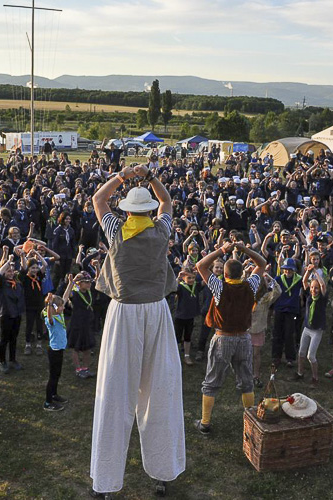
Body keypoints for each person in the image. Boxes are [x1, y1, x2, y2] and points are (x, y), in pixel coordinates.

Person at [90, 164, 182, 498]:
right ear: (149, 210)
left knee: (115, 396)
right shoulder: (161, 231)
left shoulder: (116, 229)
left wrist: (123, 176)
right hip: (156, 312)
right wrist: (151, 177)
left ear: (127, 209)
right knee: (161, 393)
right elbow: (168, 202)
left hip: (125, 313)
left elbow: (99, 199)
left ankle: (105, 480)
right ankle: (164, 471)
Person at [194, 240, 267, 434]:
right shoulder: (250, 285)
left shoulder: (219, 287)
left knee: (212, 381)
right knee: (246, 380)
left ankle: (205, 422)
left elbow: (200, 266)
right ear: (242, 273)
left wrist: (221, 249)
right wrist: (245, 249)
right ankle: (251, 421)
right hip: (244, 338)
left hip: (223, 338)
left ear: (224, 274)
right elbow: (262, 264)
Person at [296, 265, 327, 384]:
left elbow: (323, 285)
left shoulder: (322, 298)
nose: (314, 290)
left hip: (317, 330)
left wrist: (315, 272)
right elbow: (304, 281)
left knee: (311, 356)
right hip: (307, 327)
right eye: (312, 287)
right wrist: (308, 271)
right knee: (301, 353)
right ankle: (300, 372)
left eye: (316, 288)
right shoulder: (309, 296)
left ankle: (315, 378)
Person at [0, 246, 25, 373]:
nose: (11, 273)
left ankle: (13, 359)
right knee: (4, 339)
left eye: (12, 271)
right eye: (8, 271)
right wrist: (8, 260)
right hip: (7, 314)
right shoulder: (1, 285)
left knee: (14, 338)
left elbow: (24, 270)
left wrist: (21, 257)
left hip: (17, 314)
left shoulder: (17, 284)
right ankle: (2, 361)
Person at [42, 289, 71, 411]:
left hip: (60, 349)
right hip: (54, 351)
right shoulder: (51, 320)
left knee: (57, 374)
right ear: (54, 307)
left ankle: (54, 394)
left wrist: (71, 283)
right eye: (60, 306)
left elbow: (64, 297)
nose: (63, 308)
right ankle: (48, 402)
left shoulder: (59, 315)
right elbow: (49, 317)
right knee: (53, 376)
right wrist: (49, 303)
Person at [65, 271, 97, 378]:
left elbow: (98, 280)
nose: (89, 284)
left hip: (87, 324)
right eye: (86, 282)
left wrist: (97, 267)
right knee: (75, 347)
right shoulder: (75, 293)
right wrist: (72, 282)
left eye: (89, 282)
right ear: (79, 283)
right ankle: (78, 369)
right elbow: (66, 295)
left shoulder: (89, 292)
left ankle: (85, 368)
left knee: (88, 348)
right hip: (77, 324)